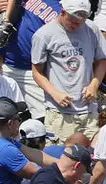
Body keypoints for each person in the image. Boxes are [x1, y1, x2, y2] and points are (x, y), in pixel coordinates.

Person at [31, 0, 106, 142]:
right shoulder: (44, 35)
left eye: (80, 22)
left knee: (92, 157)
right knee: (62, 158)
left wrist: (94, 84)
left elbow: (102, 61)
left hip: (89, 111)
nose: (76, 26)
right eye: (72, 21)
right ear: (63, 12)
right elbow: (36, 72)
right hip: (60, 113)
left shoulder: (92, 29)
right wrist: (55, 93)